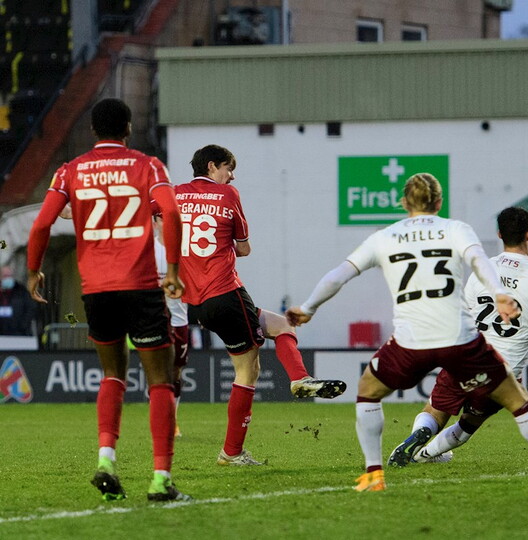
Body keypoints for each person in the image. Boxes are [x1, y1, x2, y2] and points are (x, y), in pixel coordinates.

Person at [286, 173, 528, 491]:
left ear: (404, 202)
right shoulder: (457, 231)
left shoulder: (385, 236)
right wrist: (501, 295)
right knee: (517, 404)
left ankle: (375, 474)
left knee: (370, 390)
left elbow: (338, 275)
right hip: (467, 345)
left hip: (415, 340)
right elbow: (481, 264)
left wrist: (308, 307)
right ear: (439, 202)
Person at [26, 98, 189, 501]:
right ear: (128, 128)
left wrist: (33, 270)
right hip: (141, 285)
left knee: (112, 375)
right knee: (160, 381)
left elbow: (42, 223)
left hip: (97, 289)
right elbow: (170, 214)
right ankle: (161, 480)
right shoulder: (149, 165)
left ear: (93, 131)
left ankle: (105, 461)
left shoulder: (69, 171)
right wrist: (172, 269)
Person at [387, 206, 528, 468]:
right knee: (469, 424)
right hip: (502, 374)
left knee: (435, 410)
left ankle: (417, 441)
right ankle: (425, 455)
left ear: (500, 234)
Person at [175, 144, 346, 467]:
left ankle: (300, 378)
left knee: (282, 325)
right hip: (225, 293)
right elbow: (243, 248)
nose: (232, 176)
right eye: (228, 168)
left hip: (191, 302)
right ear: (211, 166)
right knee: (248, 371)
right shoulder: (228, 195)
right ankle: (232, 452)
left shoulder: (174, 193)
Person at [153, 214, 190, 437]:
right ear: (155, 223)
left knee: (176, 371)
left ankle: (173, 419)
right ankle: (162, 421)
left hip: (179, 320)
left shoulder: (184, 248)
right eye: (161, 218)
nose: (166, 223)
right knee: (158, 371)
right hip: (154, 319)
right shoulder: (148, 249)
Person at [0, 265, 36, 335]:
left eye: (10, 276)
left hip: (19, 333)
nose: (8, 278)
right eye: (5, 276)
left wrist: (22, 326)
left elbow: (31, 309)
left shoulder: (22, 291)